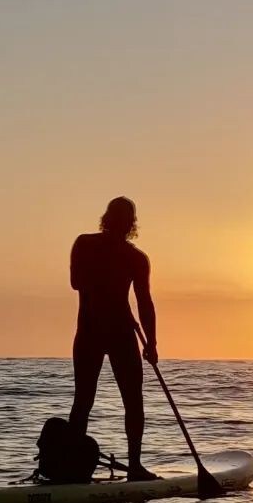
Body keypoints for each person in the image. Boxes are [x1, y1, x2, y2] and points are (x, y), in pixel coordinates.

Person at [68, 196, 159, 481]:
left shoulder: (136, 258)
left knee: (132, 401)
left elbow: (145, 302)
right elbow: (76, 282)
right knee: (84, 399)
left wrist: (152, 343)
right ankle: (71, 467)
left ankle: (135, 466)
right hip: (92, 332)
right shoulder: (85, 243)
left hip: (120, 334)